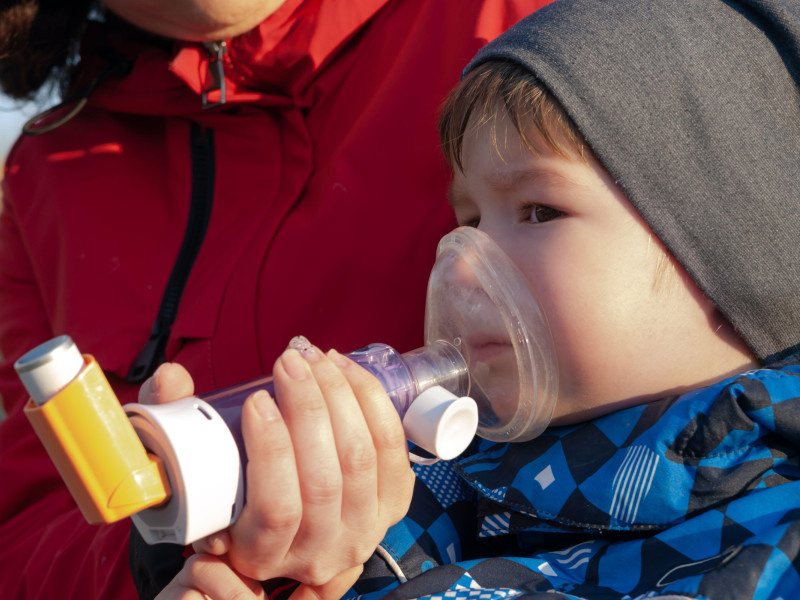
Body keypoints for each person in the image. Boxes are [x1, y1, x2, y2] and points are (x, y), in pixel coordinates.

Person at [149, 0, 800, 597]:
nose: (463, 272)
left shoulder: (778, 545)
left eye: (539, 211)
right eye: (467, 222)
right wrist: (243, 544)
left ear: (733, 258)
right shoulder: (418, 497)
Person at [0, 1, 553, 599]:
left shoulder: (519, 22)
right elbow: (29, 530)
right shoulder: (45, 173)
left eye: (540, 212)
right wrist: (171, 556)